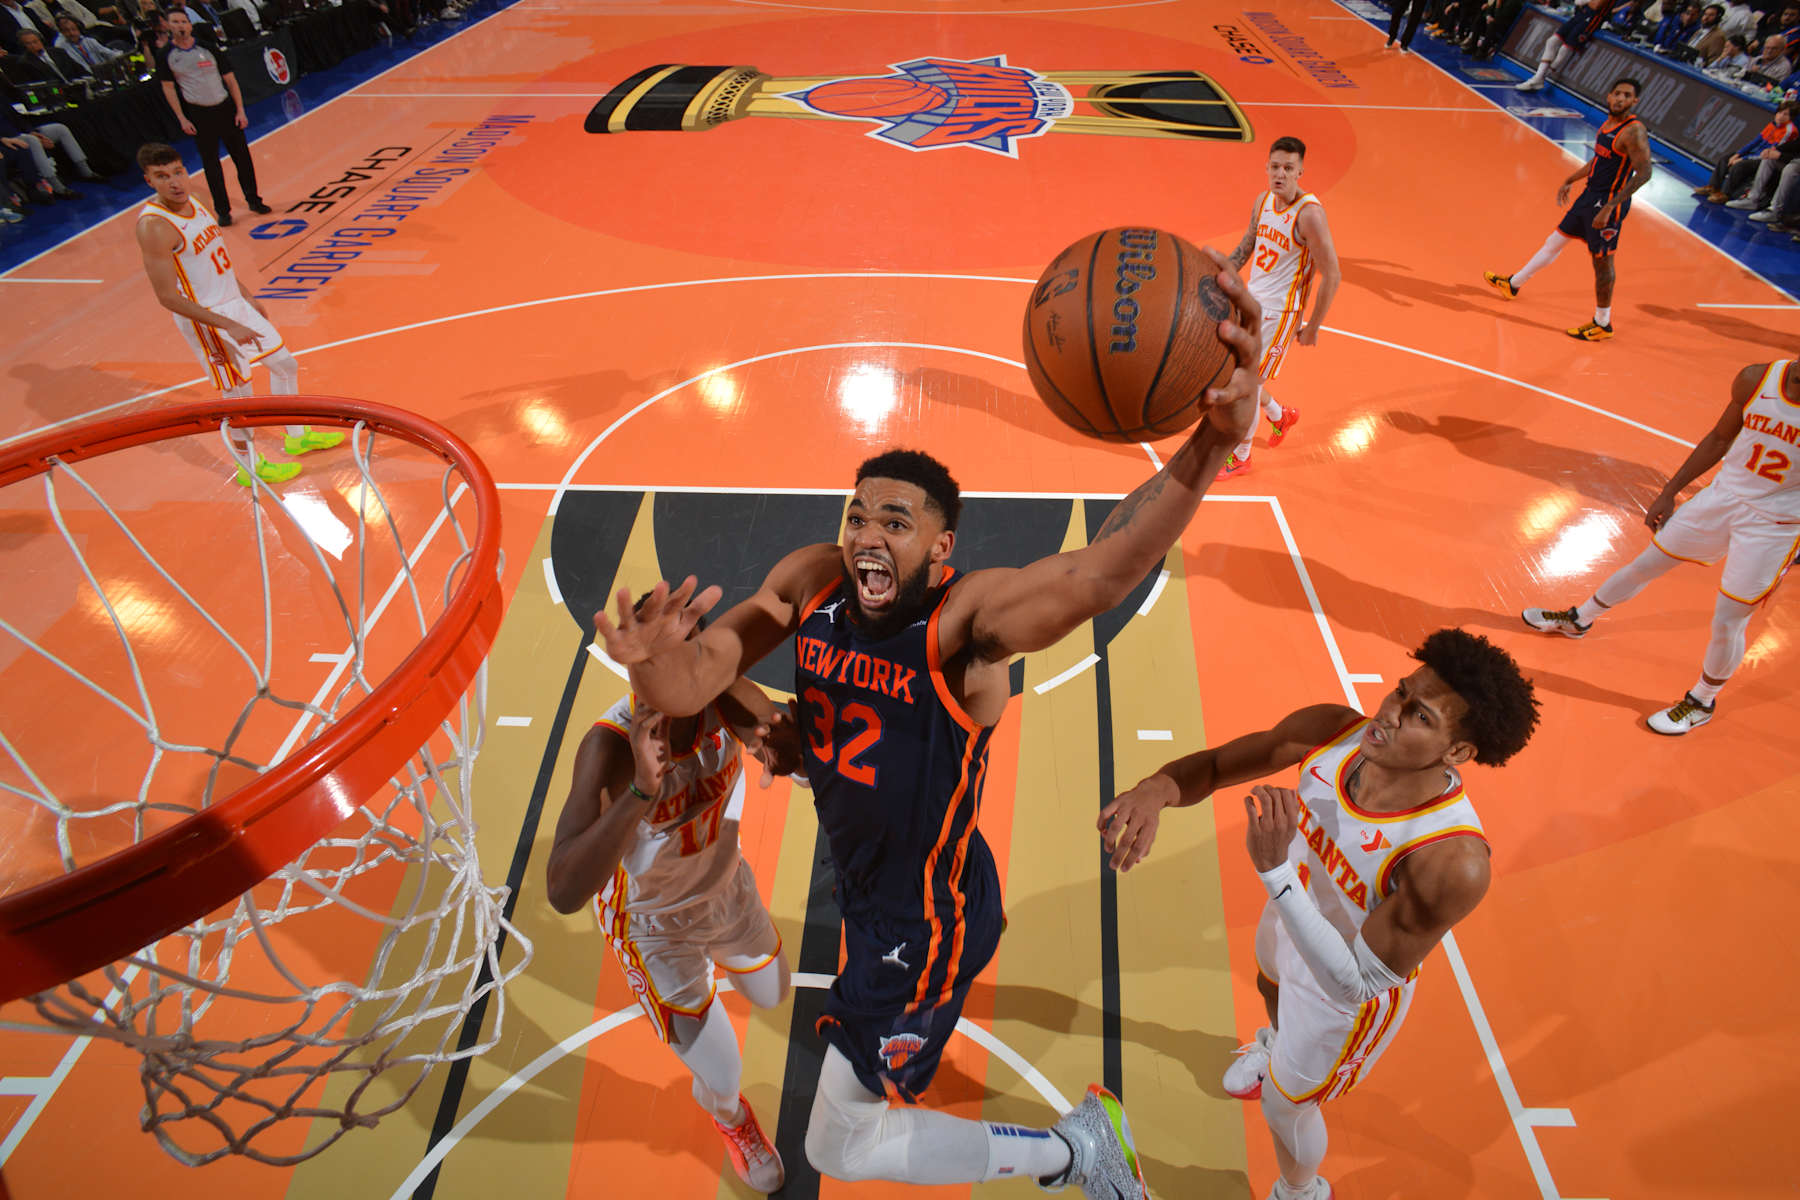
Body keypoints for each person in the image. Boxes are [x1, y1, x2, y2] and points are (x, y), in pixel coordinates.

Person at [594, 261, 1264, 1199]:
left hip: (921, 920)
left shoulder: (965, 628)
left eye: (897, 522)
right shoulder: (815, 580)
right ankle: (1006, 1095)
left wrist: (1211, 444)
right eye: (858, 513)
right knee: (866, 1101)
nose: (867, 532)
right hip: (882, 889)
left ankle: (1078, 1152)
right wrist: (647, 663)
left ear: (942, 548)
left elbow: (1098, 574)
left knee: (839, 1146)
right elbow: (699, 673)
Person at [1097, 629, 1540, 1200]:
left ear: (1457, 752)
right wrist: (1155, 790)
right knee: (1269, 980)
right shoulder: (1333, 732)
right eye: (1400, 692)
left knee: (1285, 1107)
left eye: (1419, 717)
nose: (1389, 713)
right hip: (1293, 914)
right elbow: (1216, 765)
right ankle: (1274, 1047)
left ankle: (1300, 1190)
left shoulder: (1452, 860)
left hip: (1346, 988)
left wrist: (1275, 873)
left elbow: (1355, 983)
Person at [546, 610, 799, 1193]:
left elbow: (790, 749)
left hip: (727, 889)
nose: (663, 679)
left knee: (773, 991)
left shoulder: (726, 703)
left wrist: (797, 752)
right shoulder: (609, 747)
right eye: (650, 666)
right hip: (654, 927)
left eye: (684, 659)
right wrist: (641, 790)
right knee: (723, 1071)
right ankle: (731, 1118)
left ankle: (713, 1001)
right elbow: (562, 890)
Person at [1522, 358, 1800, 734]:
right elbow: (1719, 439)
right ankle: (1579, 619)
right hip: (1720, 499)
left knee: (1729, 618)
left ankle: (1702, 701)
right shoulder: (1757, 378)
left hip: (1774, 526)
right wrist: (1669, 492)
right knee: (1646, 564)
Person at [134, 142, 338, 485]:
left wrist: (245, 296)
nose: (174, 182)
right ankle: (249, 467)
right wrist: (228, 324)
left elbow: (214, 260)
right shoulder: (154, 226)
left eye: (178, 172)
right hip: (205, 318)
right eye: (162, 176)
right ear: (149, 181)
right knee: (238, 396)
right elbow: (167, 297)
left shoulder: (195, 202)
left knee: (284, 364)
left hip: (233, 303)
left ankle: (297, 435)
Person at [1483, 77, 1651, 341]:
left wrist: (1610, 207)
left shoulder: (1633, 132)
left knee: (1603, 262)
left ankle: (1602, 323)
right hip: (1589, 196)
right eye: (1617, 93)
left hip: (1607, 203)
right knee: (1555, 241)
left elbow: (1644, 173)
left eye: (1627, 95)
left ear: (1635, 101)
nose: (1620, 98)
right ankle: (1513, 284)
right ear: (1609, 95)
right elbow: (1599, 160)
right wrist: (1571, 179)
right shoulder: (1608, 124)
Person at [1220, 135, 1338, 481]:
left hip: (1280, 313)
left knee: (1245, 381)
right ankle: (1279, 415)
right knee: (1238, 373)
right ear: (1267, 167)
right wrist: (1220, 276)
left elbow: (1332, 274)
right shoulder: (1263, 202)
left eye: (1288, 168)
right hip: (1252, 300)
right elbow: (1247, 245)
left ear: (1300, 171)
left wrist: (1313, 326)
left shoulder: (1310, 215)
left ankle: (1242, 456)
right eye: (1275, 167)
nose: (1280, 174)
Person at [154, 10, 267, 226]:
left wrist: (240, 110)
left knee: (242, 158)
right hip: (199, 113)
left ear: (190, 25)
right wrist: (182, 118)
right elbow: (168, 88)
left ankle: (254, 200)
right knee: (211, 165)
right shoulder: (166, 55)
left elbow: (230, 80)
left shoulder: (208, 47)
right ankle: (223, 210)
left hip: (225, 108)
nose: (181, 26)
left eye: (184, 21)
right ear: (168, 26)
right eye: (176, 22)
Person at [1696, 100, 1796, 201]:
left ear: (1791, 117)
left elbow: (1769, 153)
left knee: (1739, 166)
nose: (1780, 116)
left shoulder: (1789, 131)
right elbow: (1754, 142)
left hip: (1763, 159)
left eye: (1785, 114)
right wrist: (1738, 154)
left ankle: (1725, 194)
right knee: (1725, 159)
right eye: (1779, 112)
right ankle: (1713, 187)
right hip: (1753, 154)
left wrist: (1744, 158)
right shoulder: (1772, 125)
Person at [1516, 0, 1627, 89]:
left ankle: (1540, 77)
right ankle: (1538, 77)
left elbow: (1596, 5)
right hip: (1582, 13)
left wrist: (1584, 1)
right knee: (1552, 41)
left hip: (1593, 18)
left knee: (1565, 49)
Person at [53, 13, 122, 72]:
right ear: (61, 32)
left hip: (105, 73)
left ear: (79, 28)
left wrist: (122, 57)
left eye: (73, 29)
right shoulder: (61, 48)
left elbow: (110, 54)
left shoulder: (89, 41)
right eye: (66, 30)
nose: (71, 33)